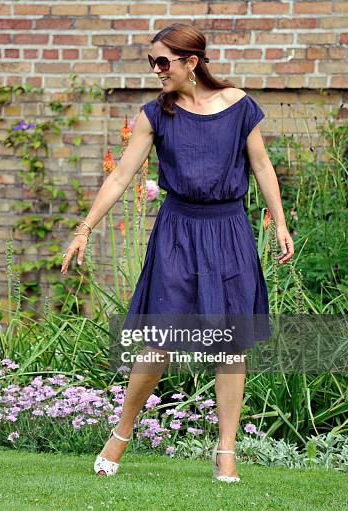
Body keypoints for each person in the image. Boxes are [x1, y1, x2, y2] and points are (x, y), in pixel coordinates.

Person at [60, 23, 294, 482]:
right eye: (152, 62)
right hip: (177, 232)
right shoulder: (155, 114)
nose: (157, 71)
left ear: (193, 62)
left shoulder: (240, 107)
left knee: (230, 345)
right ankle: (122, 432)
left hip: (229, 230)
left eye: (163, 62)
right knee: (158, 340)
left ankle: (226, 452)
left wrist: (280, 221)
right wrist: (84, 228)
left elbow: (262, 165)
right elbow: (120, 176)